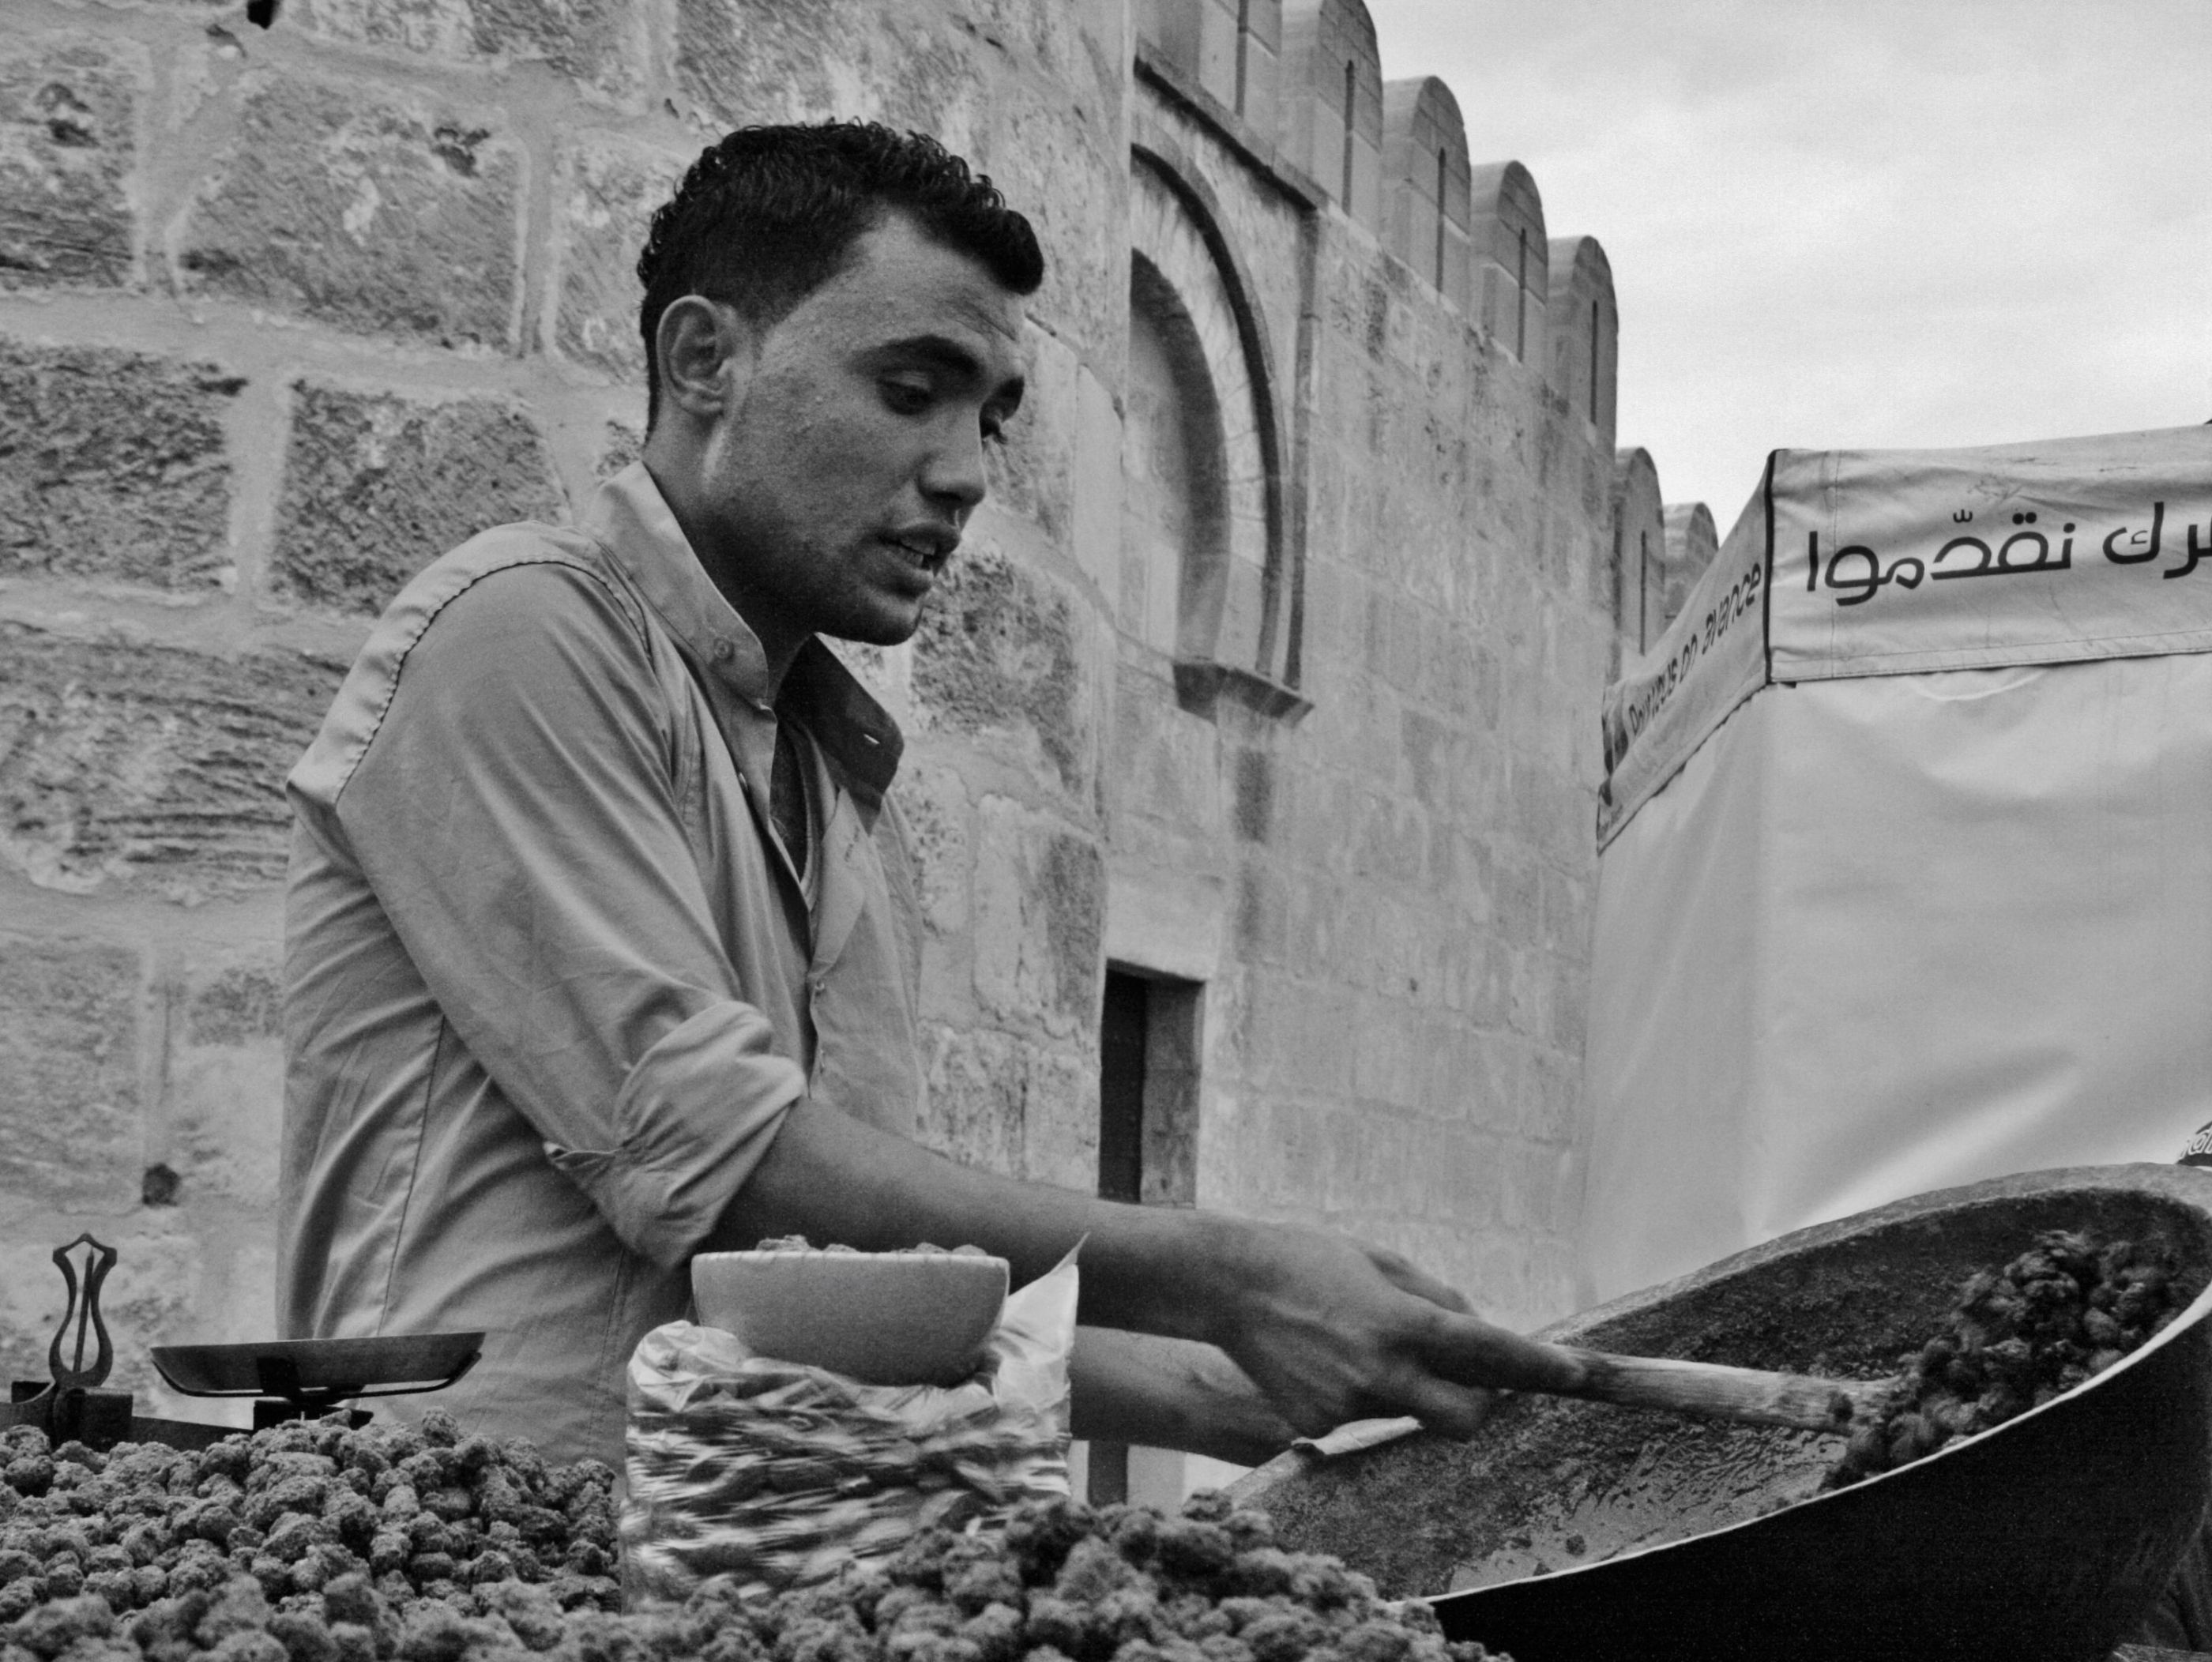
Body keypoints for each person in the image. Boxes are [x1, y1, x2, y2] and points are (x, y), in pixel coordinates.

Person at [279, 121, 1580, 1472]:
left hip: (741, 1567)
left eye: (990, 418)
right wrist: (1234, 1277)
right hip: (457, 1563)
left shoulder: (828, 772)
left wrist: (1226, 1395)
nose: (965, 472)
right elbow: (729, 1167)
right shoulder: (520, 633)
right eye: (913, 391)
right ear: (705, 360)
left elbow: (827, 1279)